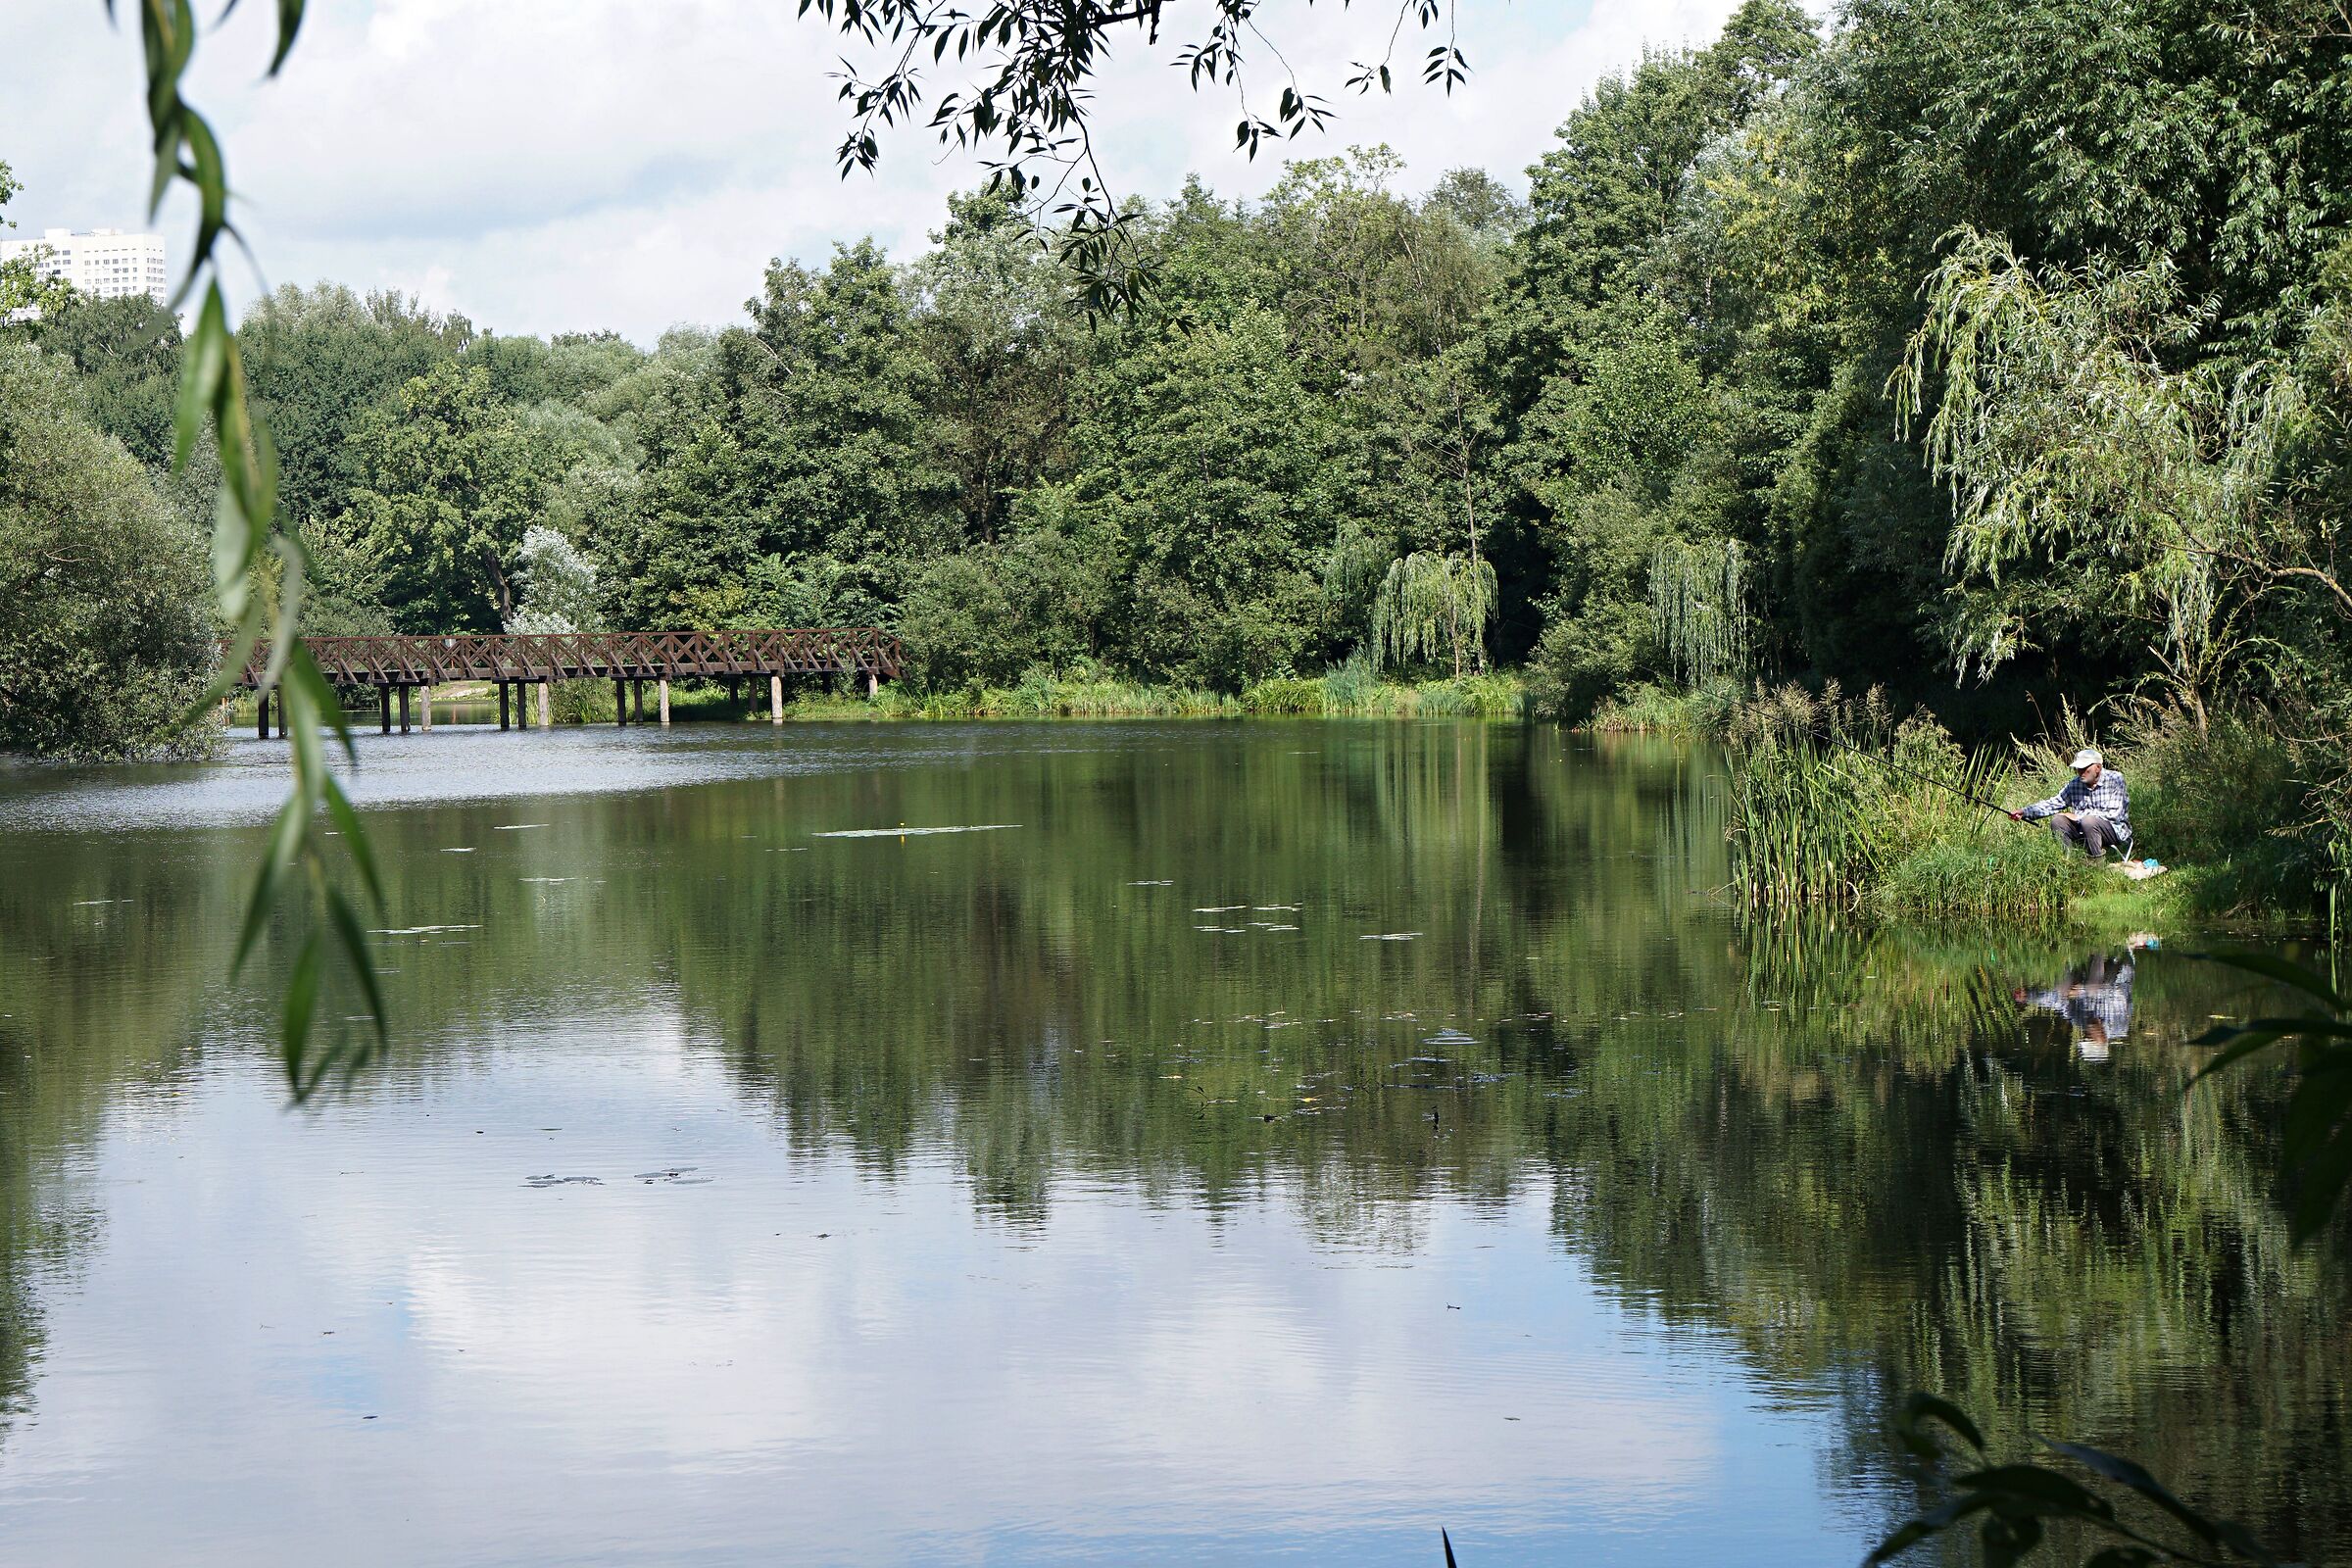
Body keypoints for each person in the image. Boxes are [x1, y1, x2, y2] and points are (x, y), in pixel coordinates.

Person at [2012, 747, 2131, 858]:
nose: (2080, 772)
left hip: (2114, 830)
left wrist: (2078, 817)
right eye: (2078, 768)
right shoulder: (2075, 784)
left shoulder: (2115, 779)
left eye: (2085, 768)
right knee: (2058, 821)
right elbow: (2054, 803)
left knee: (2088, 821)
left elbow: (2114, 815)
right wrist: (2025, 812)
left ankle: (2097, 864)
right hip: (2084, 828)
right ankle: (2067, 861)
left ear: (2098, 768)